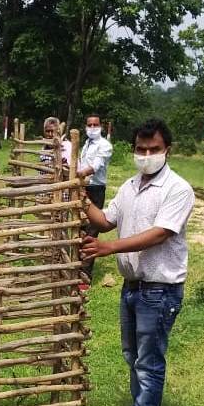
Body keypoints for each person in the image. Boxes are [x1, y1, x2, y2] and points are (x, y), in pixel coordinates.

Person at [80, 118, 194, 406]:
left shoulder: (177, 189)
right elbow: (104, 220)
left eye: (153, 149)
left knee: (149, 358)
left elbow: (161, 233)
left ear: (167, 150)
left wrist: (110, 248)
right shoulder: (130, 187)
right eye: (141, 149)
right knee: (133, 355)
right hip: (132, 285)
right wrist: (80, 196)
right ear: (133, 150)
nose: (146, 155)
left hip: (159, 289)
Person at [76, 113, 114, 282]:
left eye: (95, 125)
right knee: (80, 227)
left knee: (91, 230)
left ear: (101, 127)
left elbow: (96, 166)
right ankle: (77, 267)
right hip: (83, 187)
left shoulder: (105, 145)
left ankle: (85, 276)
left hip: (96, 189)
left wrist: (79, 174)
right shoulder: (86, 144)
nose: (92, 128)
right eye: (89, 125)